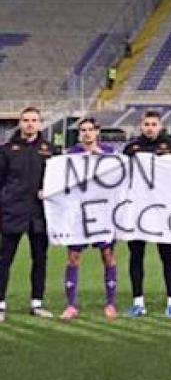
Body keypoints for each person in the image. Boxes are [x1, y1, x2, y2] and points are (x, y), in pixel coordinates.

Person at [0, 107, 55, 322]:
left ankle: (37, 303)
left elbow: (59, 181)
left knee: (40, 259)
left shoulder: (50, 150)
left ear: (40, 123)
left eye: (34, 120)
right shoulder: (6, 150)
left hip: (40, 214)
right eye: (26, 120)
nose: (30, 124)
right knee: (5, 260)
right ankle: (1, 304)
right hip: (12, 212)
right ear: (20, 123)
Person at [123, 111, 171, 317]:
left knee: (167, 255)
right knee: (136, 255)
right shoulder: (131, 148)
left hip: (162, 210)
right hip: (137, 209)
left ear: (160, 126)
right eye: (146, 124)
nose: (150, 127)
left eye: (154, 124)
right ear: (141, 126)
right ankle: (138, 301)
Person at [61, 117, 118, 320]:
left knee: (108, 256)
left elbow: (119, 177)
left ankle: (110, 303)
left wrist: (100, 158)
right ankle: (71, 305)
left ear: (97, 131)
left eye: (90, 129)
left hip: (102, 212)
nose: (86, 133)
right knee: (73, 257)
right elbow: (61, 180)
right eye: (82, 130)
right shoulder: (70, 155)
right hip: (79, 214)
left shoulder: (110, 153)